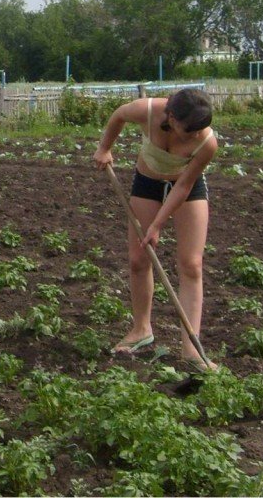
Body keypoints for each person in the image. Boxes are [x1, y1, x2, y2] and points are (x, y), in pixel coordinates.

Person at [93, 88, 218, 371]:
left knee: (191, 264)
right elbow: (118, 116)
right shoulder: (147, 110)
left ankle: (191, 349)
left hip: (186, 189)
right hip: (147, 183)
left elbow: (184, 186)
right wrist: (105, 147)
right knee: (139, 259)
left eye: (201, 129)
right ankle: (141, 329)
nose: (196, 135)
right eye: (190, 130)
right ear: (172, 118)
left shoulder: (207, 142)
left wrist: (158, 224)